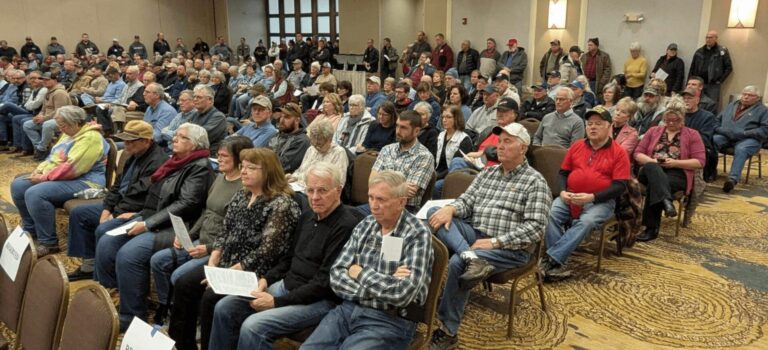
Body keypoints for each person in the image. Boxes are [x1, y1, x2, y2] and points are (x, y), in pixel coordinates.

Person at [209, 162, 360, 350]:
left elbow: (324, 283)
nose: (314, 197)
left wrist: (275, 302)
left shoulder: (346, 226)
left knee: (253, 327)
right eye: (310, 190)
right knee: (225, 308)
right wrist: (265, 280)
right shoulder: (307, 216)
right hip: (286, 286)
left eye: (322, 191)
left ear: (338, 191)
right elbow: (288, 259)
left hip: (319, 300)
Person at [427, 123, 550, 348]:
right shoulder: (489, 173)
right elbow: (466, 202)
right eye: (499, 141)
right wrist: (451, 209)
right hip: (475, 234)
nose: (500, 146)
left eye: (507, 141)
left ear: (523, 148)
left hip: (510, 248)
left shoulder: (535, 182)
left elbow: (535, 229)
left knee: (457, 262)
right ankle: (472, 258)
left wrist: (495, 242)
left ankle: (448, 331)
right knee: (436, 214)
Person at [169, 148, 300, 350]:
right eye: (243, 166)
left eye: (251, 167)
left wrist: (226, 274)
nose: (244, 171)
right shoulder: (242, 194)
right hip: (226, 262)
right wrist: (214, 260)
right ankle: (183, 345)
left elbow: (267, 251)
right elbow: (225, 230)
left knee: (210, 298)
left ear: (268, 172)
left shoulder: (281, 204)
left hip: (255, 272)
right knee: (184, 283)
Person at [94, 123, 214, 331]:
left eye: (182, 137)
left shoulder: (200, 167)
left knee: (129, 254)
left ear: (195, 145)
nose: (175, 139)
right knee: (107, 240)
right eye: (175, 135)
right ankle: (113, 294)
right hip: (154, 216)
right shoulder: (176, 162)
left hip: (179, 226)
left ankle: (132, 315)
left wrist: (147, 223)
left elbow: (186, 204)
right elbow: (155, 194)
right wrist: (140, 213)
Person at [300, 170, 433, 349]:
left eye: (381, 199)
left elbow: (402, 294)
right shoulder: (366, 224)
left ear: (401, 202)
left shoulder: (417, 234)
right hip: (347, 310)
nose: (373, 205)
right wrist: (385, 284)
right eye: (371, 197)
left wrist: (359, 272)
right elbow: (336, 276)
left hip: (389, 320)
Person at [150, 136, 253, 324]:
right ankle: (169, 308)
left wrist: (207, 248)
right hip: (201, 240)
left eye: (224, 156)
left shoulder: (245, 188)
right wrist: (188, 236)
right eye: (218, 155)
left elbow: (238, 233)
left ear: (239, 158)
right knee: (158, 261)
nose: (219, 159)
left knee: (179, 276)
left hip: (218, 248)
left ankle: (192, 318)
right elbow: (207, 211)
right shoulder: (221, 178)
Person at [67, 120, 167, 281]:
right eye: (125, 140)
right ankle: (89, 265)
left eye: (130, 141)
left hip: (137, 211)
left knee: (104, 228)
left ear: (146, 141)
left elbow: (139, 196)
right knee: (79, 213)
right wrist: (106, 209)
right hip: (120, 204)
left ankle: (108, 280)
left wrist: (114, 214)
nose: (125, 144)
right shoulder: (134, 155)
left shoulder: (158, 163)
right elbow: (118, 185)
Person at [541, 106, 630, 280]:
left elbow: (620, 185)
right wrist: (562, 191)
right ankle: (558, 262)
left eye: (598, 123)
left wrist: (592, 197)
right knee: (551, 213)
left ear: (609, 126)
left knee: (586, 221)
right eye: (589, 124)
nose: (593, 127)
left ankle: (552, 258)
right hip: (571, 195)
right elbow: (563, 173)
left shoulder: (619, 153)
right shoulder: (577, 146)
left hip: (600, 201)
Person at [11, 105, 108, 256]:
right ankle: (31, 229)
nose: (60, 129)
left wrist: (44, 178)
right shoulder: (70, 133)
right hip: (66, 177)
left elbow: (72, 168)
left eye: (63, 125)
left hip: (87, 182)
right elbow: (53, 157)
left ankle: (48, 242)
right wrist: (40, 169)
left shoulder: (91, 137)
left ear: (75, 123)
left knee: (35, 193)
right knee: (18, 185)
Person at [634, 97, 706, 241]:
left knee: (654, 186)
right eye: (668, 120)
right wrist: (653, 161)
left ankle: (651, 229)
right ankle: (666, 201)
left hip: (677, 173)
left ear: (683, 119)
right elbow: (637, 154)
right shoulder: (654, 131)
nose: (671, 123)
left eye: (676, 121)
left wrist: (675, 163)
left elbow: (700, 162)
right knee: (652, 168)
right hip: (648, 171)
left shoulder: (693, 134)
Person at [356, 110, 434, 215]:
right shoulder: (387, 149)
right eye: (397, 126)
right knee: (348, 216)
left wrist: (382, 182)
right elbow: (371, 182)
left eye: (403, 128)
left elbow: (408, 193)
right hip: (376, 203)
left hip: (402, 210)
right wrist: (400, 185)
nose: (398, 131)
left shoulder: (424, 156)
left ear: (416, 131)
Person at [713, 86, 768, 193]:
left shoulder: (763, 111)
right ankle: (709, 171)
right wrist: (720, 129)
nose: (746, 97)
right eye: (744, 94)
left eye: (750, 95)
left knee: (742, 149)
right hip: (726, 136)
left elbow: (765, 130)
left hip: (749, 139)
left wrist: (745, 133)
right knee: (712, 140)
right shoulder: (731, 105)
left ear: (757, 98)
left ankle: (732, 179)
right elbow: (716, 120)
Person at [21, 72, 71, 160]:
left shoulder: (59, 92)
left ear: (55, 80)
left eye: (47, 80)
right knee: (27, 124)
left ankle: (41, 149)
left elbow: (59, 111)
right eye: (43, 80)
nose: (44, 81)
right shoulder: (48, 91)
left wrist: (44, 118)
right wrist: (39, 115)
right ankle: (39, 147)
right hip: (49, 118)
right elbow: (43, 109)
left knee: (47, 124)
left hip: (63, 119)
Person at [289, 119, 349, 187]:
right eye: (313, 143)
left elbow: (338, 183)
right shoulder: (311, 149)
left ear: (329, 140)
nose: (316, 147)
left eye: (319, 144)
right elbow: (300, 171)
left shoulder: (338, 153)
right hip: (299, 187)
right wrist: (293, 177)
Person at [433, 106, 473, 198]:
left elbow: (456, 166)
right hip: (438, 173)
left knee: (436, 186)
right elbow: (434, 157)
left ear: (457, 119)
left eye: (448, 117)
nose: (444, 120)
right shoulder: (440, 135)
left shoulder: (464, 139)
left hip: (451, 175)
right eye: (443, 117)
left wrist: (435, 177)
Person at [681, 87, 718, 182]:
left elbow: (704, 138)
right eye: (684, 98)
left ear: (697, 100)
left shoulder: (707, 117)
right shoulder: (679, 115)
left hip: (700, 148)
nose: (686, 100)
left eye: (689, 98)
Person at [689, 31, 732, 105]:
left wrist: (719, 80)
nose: (708, 39)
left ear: (716, 39)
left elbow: (729, 68)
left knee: (711, 104)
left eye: (710, 37)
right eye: (707, 37)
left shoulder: (722, 51)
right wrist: (689, 82)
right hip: (698, 83)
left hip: (713, 85)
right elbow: (692, 68)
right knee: (695, 102)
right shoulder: (699, 51)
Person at [268, 102, 310, 173]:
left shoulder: (301, 141)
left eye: (287, 117)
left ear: (297, 120)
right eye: (281, 116)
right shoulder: (279, 135)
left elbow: (282, 166)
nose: (281, 120)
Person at [189, 85, 228, 155]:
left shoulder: (218, 117)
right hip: (193, 152)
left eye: (199, 97)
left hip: (209, 155)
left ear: (210, 100)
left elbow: (200, 138)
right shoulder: (194, 114)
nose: (195, 99)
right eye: (194, 97)